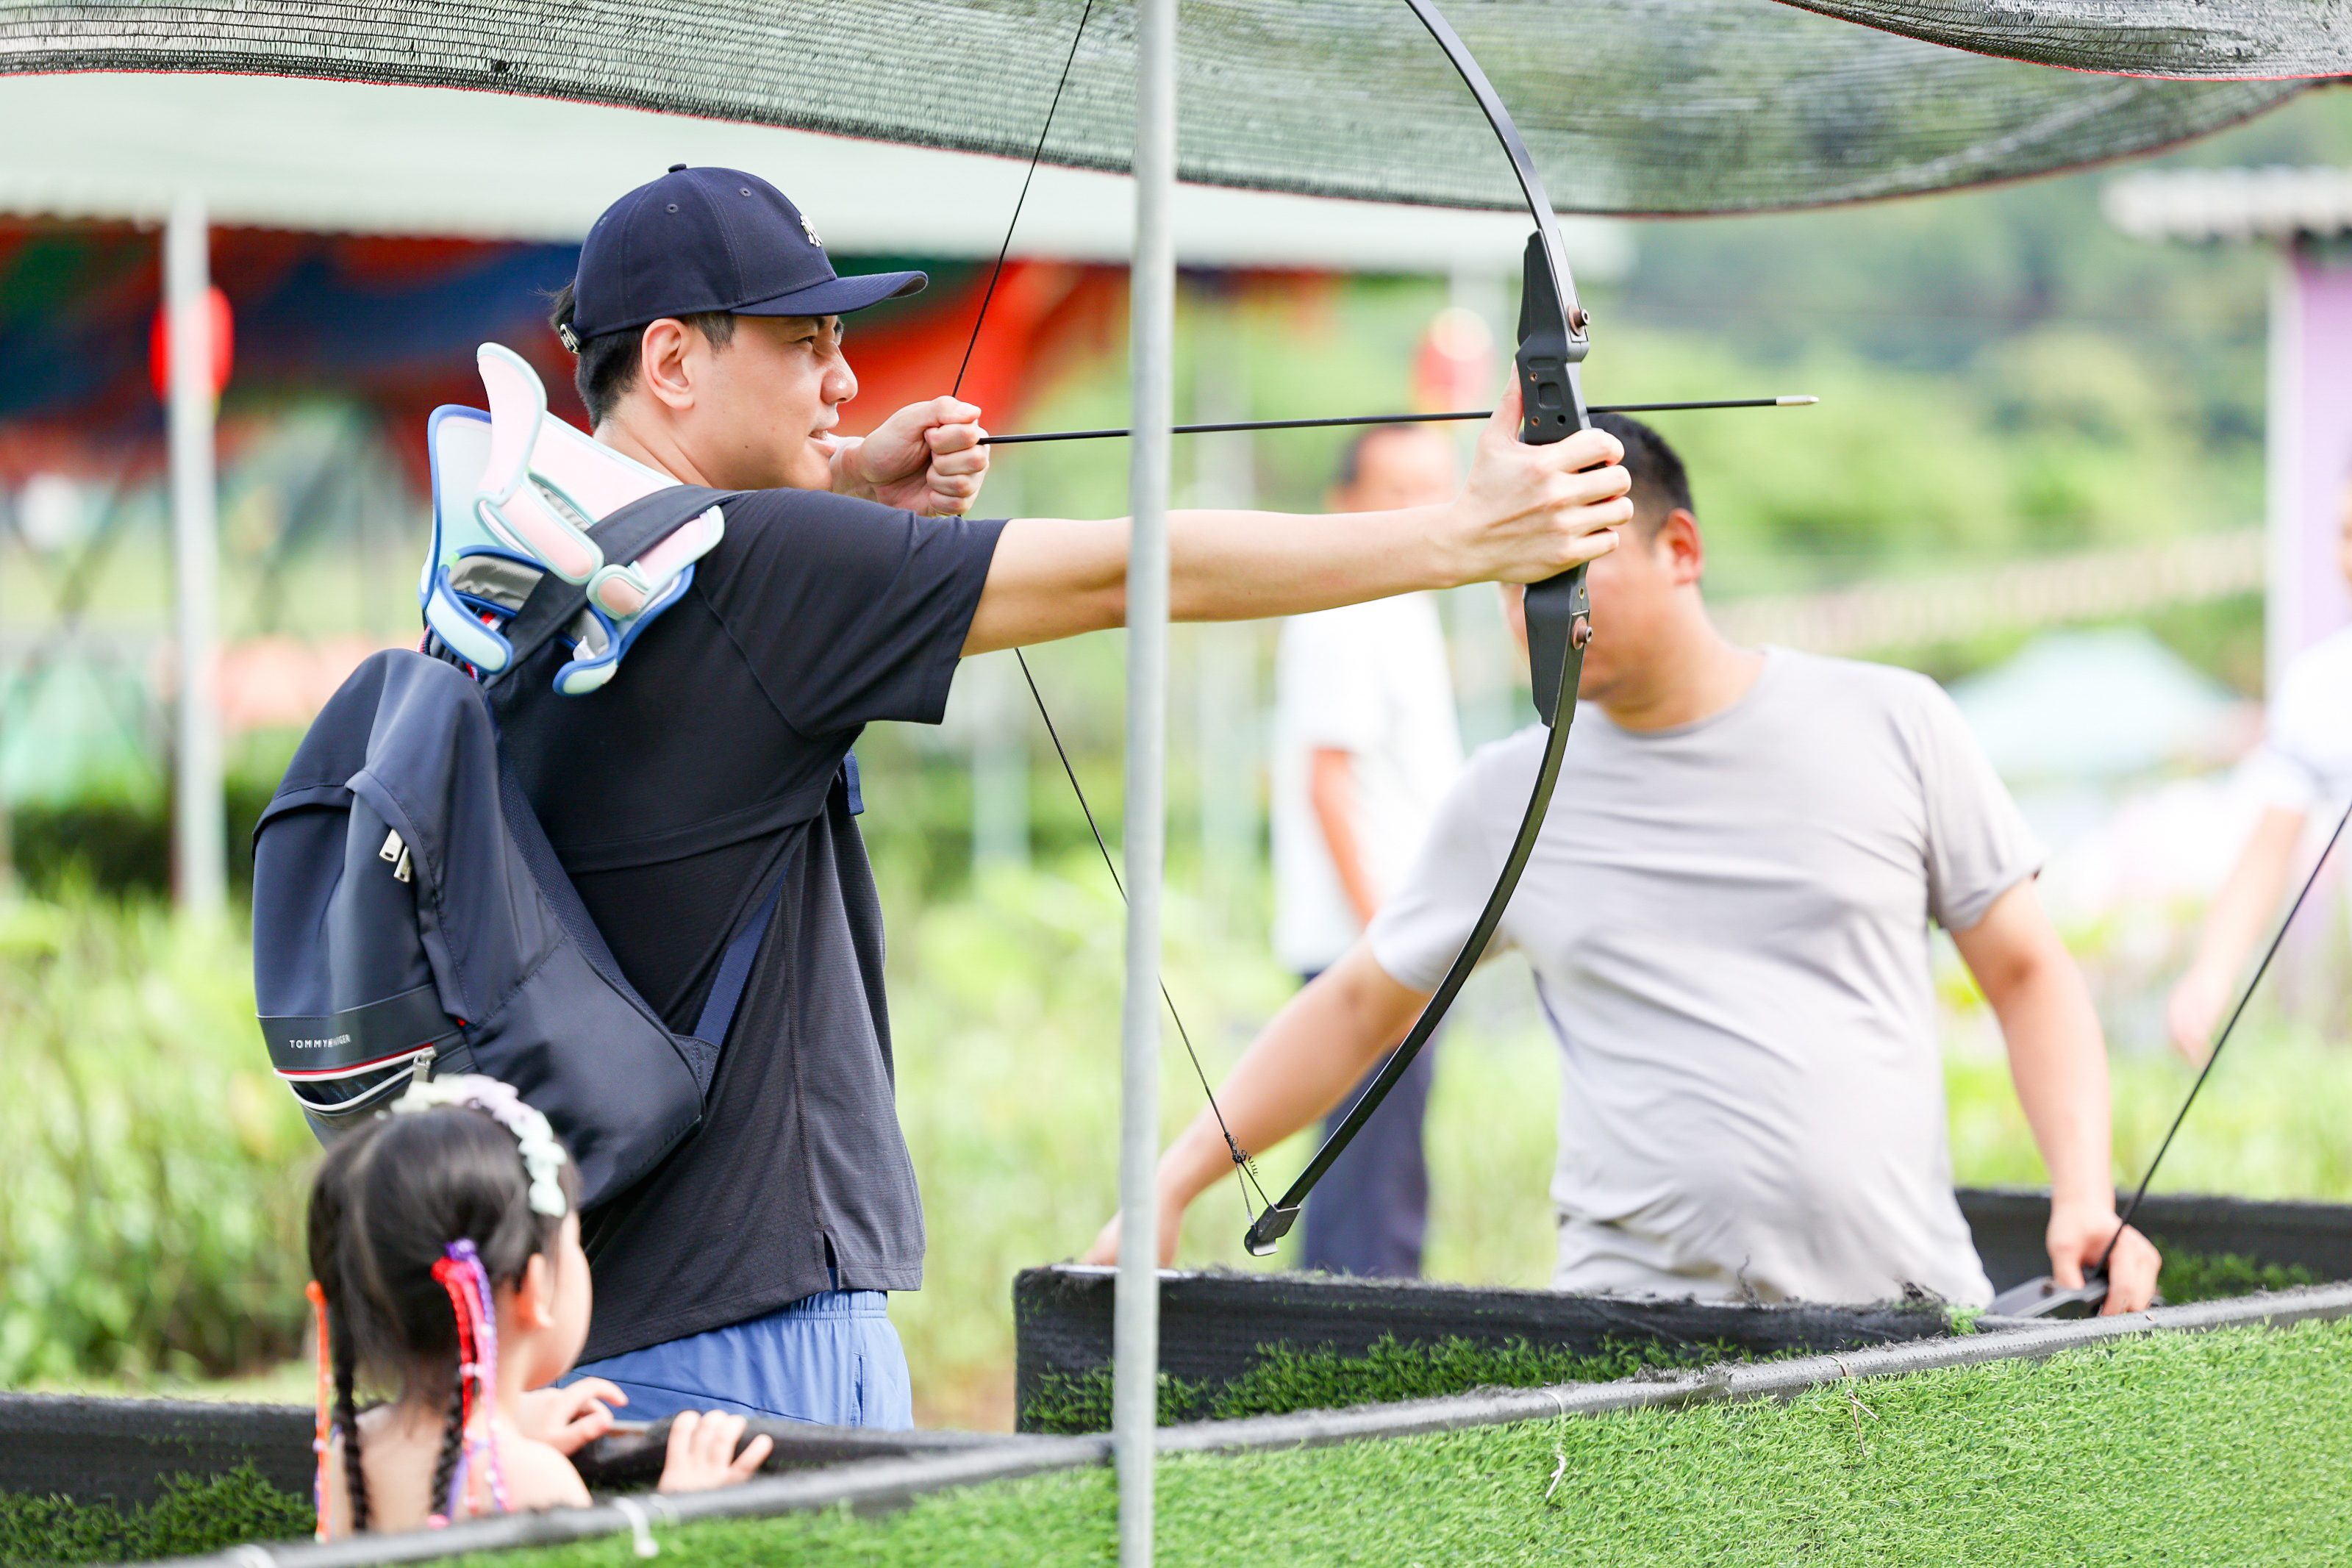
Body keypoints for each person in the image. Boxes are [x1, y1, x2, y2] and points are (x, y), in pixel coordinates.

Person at [493, 165, 1632, 1427]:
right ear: (670, 361)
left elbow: (709, 612)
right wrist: (1463, 535)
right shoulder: (760, 569)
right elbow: (1133, 571)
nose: (843, 380)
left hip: (575, 1334)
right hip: (749, 1342)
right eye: (802, 340)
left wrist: (844, 497)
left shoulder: (529, 579)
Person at [1089, 414, 2162, 1315]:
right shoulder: (1507, 792)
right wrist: (1172, 1180)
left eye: (1561, 573)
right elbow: (1356, 1003)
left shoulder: (1892, 721)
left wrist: (2082, 1192)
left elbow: (2024, 971)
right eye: (1509, 588)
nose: (1529, 615)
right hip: (1627, 1336)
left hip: (1905, 1305)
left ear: (1679, 549)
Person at [308, 1077, 769, 1536]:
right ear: (532, 1290)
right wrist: (677, 1513)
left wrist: (509, 1425)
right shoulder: (531, 1480)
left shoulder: (354, 1450)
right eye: (573, 1244)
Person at [1270, 424, 1465, 1278]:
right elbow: (1329, 783)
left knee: (1378, 1162)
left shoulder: (1403, 606)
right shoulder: (1350, 610)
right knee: (1369, 1177)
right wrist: (1389, 949)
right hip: (1369, 945)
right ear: (1342, 507)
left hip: (1394, 941)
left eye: (1434, 487)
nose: (1419, 509)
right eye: (1395, 491)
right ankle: (1358, 1370)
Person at [2168, 479, 2352, 1064]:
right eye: (2344, 533)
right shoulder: (2316, 685)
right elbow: (2269, 849)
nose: (2347, 555)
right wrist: (2210, 975)